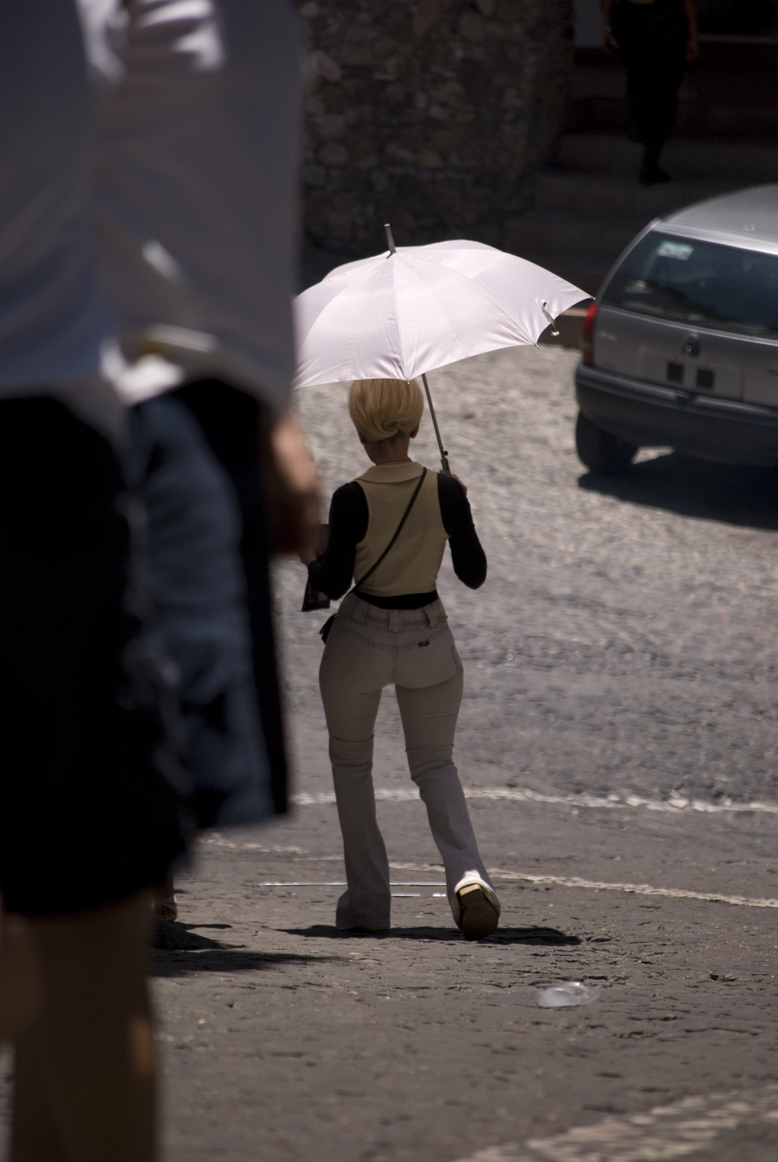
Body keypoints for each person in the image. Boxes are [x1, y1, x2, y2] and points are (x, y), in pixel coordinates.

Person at [301, 378, 501, 941]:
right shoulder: (444, 491)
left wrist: (309, 556)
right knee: (436, 764)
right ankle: (468, 878)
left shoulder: (350, 496)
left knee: (351, 766)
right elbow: (474, 575)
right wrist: (458, 504)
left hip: (360, 637)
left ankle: (367, 902)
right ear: (414, 424)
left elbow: (335, 584)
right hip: (427, 639)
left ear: (361, 430)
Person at [603, 0, 700, 184]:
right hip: (663, 21)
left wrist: (607, 25)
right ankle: (649, 163)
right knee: (664, 95)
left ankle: (636, 117)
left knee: (638, 76)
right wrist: (693, 35)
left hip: (628, 18)